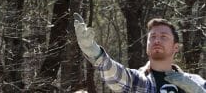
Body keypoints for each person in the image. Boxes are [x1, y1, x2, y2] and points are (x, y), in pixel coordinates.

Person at [73, 13, 206, 93]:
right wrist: (94, 51)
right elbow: (114, 73)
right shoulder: (137, 81)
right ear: (147, 45)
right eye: (152, 37)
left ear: (176, 47)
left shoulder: (196, 82)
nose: (157, 40)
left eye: (164, 36)